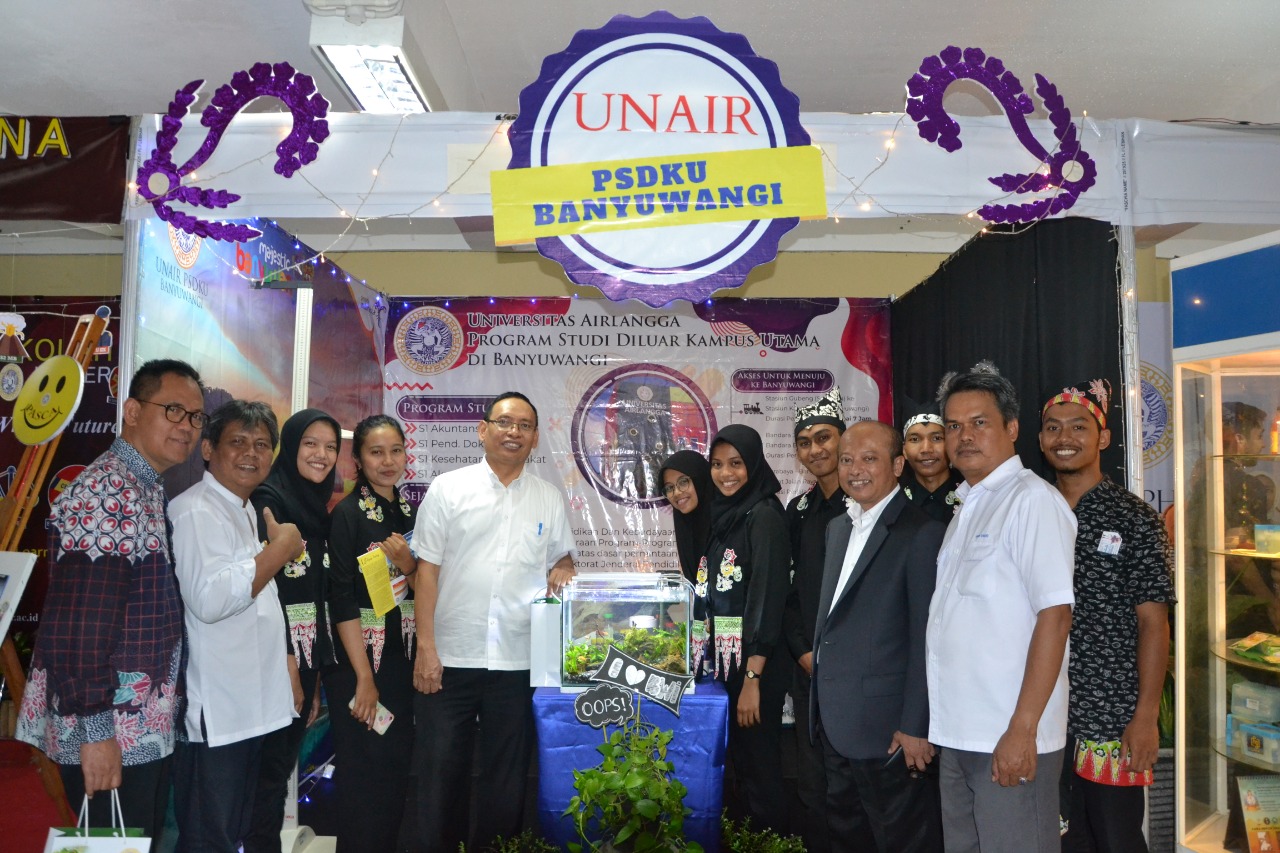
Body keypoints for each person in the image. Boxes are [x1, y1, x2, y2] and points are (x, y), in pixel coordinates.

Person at [16, 359, 204, 840]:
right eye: (174, 411)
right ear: (133, 411)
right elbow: (79, 629)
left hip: (136, 731)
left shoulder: (140, 486)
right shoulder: (108, 493)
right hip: (108, 733)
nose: (186, 427)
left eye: (196, 417)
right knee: (105, 845)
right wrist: (97, 734)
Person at [411, 392, 576, 852]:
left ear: (536, 438)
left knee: (506, 778)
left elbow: (561, 557)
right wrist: (426, 648)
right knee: (440, 773)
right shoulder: (448, 488)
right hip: (449, 655)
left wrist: (563, 566)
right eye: (505, 422)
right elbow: (427, 570)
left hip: (517, 658)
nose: (514, 432)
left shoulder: (547, 498)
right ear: (483, 430)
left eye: (524, 425)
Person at [927, 360, 1076, 852]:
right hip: (959, 733)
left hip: (1008, 735)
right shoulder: (968, 505)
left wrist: (1022, 730)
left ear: (1012, 429)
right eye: (953, 426)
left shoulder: (1031, 501)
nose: (964, 436)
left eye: (979, 423)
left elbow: (1054, 617)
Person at [1040, 380, 1173, 852]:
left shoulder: (1134, 518)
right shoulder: (1034, 511)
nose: (1064, 437)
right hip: (1040, 712)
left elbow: (1154, 624)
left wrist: (1145, 716)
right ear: (1039, 439)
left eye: (1079, 426)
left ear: (1103, 437)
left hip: (1111, 718)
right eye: (1053, 427)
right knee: (1059, 841)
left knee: (1116, 840)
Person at [170, 400, 302, 853]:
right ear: (208, 448)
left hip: (253, 707)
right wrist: (278, 551)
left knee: (235, 833)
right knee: (211, 838)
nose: (251, 453)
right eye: (238, 442)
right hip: (219, 713)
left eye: (262, 444)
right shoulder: (195, 510)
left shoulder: (243, 507)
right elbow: (209, 601)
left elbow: (259, 602)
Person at [812, 419, 945, 852]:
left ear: (897, 464)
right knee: (848, 838)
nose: (855, 470)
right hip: (836, 721)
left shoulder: (920, 533)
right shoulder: (838, 528)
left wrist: (915, 725)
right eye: (847, 459)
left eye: (869, 459)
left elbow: (928, 637)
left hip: (890, 731)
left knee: (900, 840)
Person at [244, 409, 341, 853]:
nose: (321, 455)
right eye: (311, 444)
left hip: (304, 661)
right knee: (264, 774)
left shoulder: (317, 508)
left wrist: (312, 673)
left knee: (278, 768)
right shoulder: (271, 500)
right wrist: (287, 663)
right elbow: (265, 590)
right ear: (292, 444)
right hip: (275, 661)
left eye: (330, 446)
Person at [325, 414, 418, 853]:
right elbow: (340, 599)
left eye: (395, 451)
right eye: (376, 452)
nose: (388, 461)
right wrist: (364, 679)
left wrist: (410, 566)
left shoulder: (408, 510)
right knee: (364, 774)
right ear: (358, 459)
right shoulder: (346, 515)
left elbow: (427, 588)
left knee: (395, 772)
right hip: (360, 667)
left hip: (402, 664)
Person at [700, 423, 791, 834]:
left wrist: (752, 678)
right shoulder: (727, 516)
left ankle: (773, 842)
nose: (726, 473)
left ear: (753, 464)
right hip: (730, 664)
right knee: (742, 765)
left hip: (756, 667)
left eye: (736, 463)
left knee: (761, 767)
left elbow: (768, 600)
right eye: (717, 465)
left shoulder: (765, 516)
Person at [781, 387, 847, 852]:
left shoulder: (870, 502)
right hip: (808, 670)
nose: (815, 449)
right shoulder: (798, 511)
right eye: (805, 442)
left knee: (854, 786)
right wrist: (804, 651)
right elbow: (785, 594)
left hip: (859, 673)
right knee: (813, 783)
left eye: (824, 437)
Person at [899, 397, 964, 524]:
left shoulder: (969, 495)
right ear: (904, 450)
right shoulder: (894, 501)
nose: (926, 449)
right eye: (915, 440)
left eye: (937, 438)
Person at [658, 449, 713, 586]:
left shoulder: (728, 523)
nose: (676, 493)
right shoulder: (685, 525)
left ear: (699, 479)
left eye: (683, 482)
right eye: (669, 488)